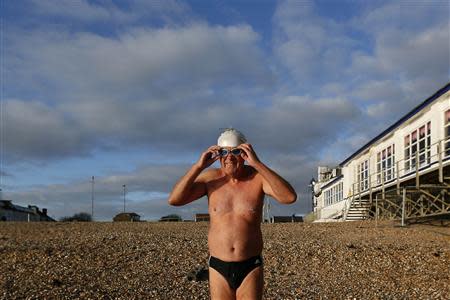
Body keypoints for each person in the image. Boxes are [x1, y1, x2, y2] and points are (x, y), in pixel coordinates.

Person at [168, 128, 297, 300]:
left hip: (250, 265)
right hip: (218, 266)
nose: (229, 157)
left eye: (235, 152)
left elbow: (289, 197)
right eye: (223, 152)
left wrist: (257, 164)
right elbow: (175, 200)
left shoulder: (258, 179)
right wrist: (198, 166)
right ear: (218, 155)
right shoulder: (210, 179)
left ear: (244, 154)